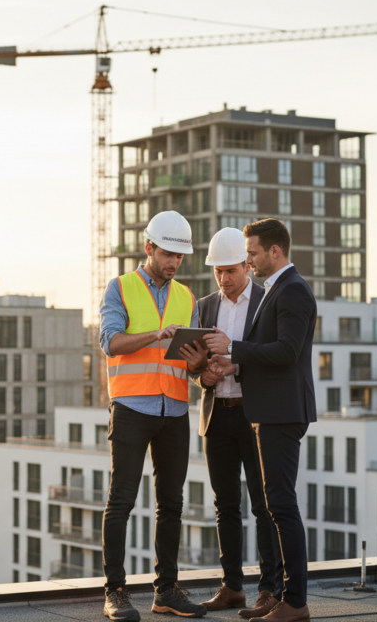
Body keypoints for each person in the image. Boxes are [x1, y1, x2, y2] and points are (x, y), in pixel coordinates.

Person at [204, 218, 317, 622]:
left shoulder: (293, 290)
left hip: (281, 412)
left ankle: (294, 602)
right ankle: (289, 599)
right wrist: (228, 364)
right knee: (275, 504)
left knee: (281, 507)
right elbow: (273, 352)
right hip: (271, 411)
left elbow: (286, 351)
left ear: (274, 251)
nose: (247, 260)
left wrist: (233, 349)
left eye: (251, 253)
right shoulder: (279, 289)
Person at [98, 210, 209, 621]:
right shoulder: (120, 288)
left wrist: (199, 363)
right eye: (167, 254)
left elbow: (192, 367)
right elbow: (111, 343)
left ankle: (166, 591)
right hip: (130, 408)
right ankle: (116, 591)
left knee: (172, 504)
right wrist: (155, 335)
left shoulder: (187, 298)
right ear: (149, 248)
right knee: (122, 500)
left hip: (174, 409)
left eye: (180, 257)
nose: (174, 263)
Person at [179, 228, 282, 617]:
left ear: (247, 265)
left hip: (254, 417)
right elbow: (195, 365)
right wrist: (200, 375)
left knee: (263, 505)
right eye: (218, 271)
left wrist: (236, 363)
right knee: (225, 506)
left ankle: (270, 589)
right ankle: (232, 587)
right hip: (216, 415)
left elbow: (271, 354)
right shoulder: (204, 307)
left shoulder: (266, 302)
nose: (224, 278)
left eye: (231, 270)